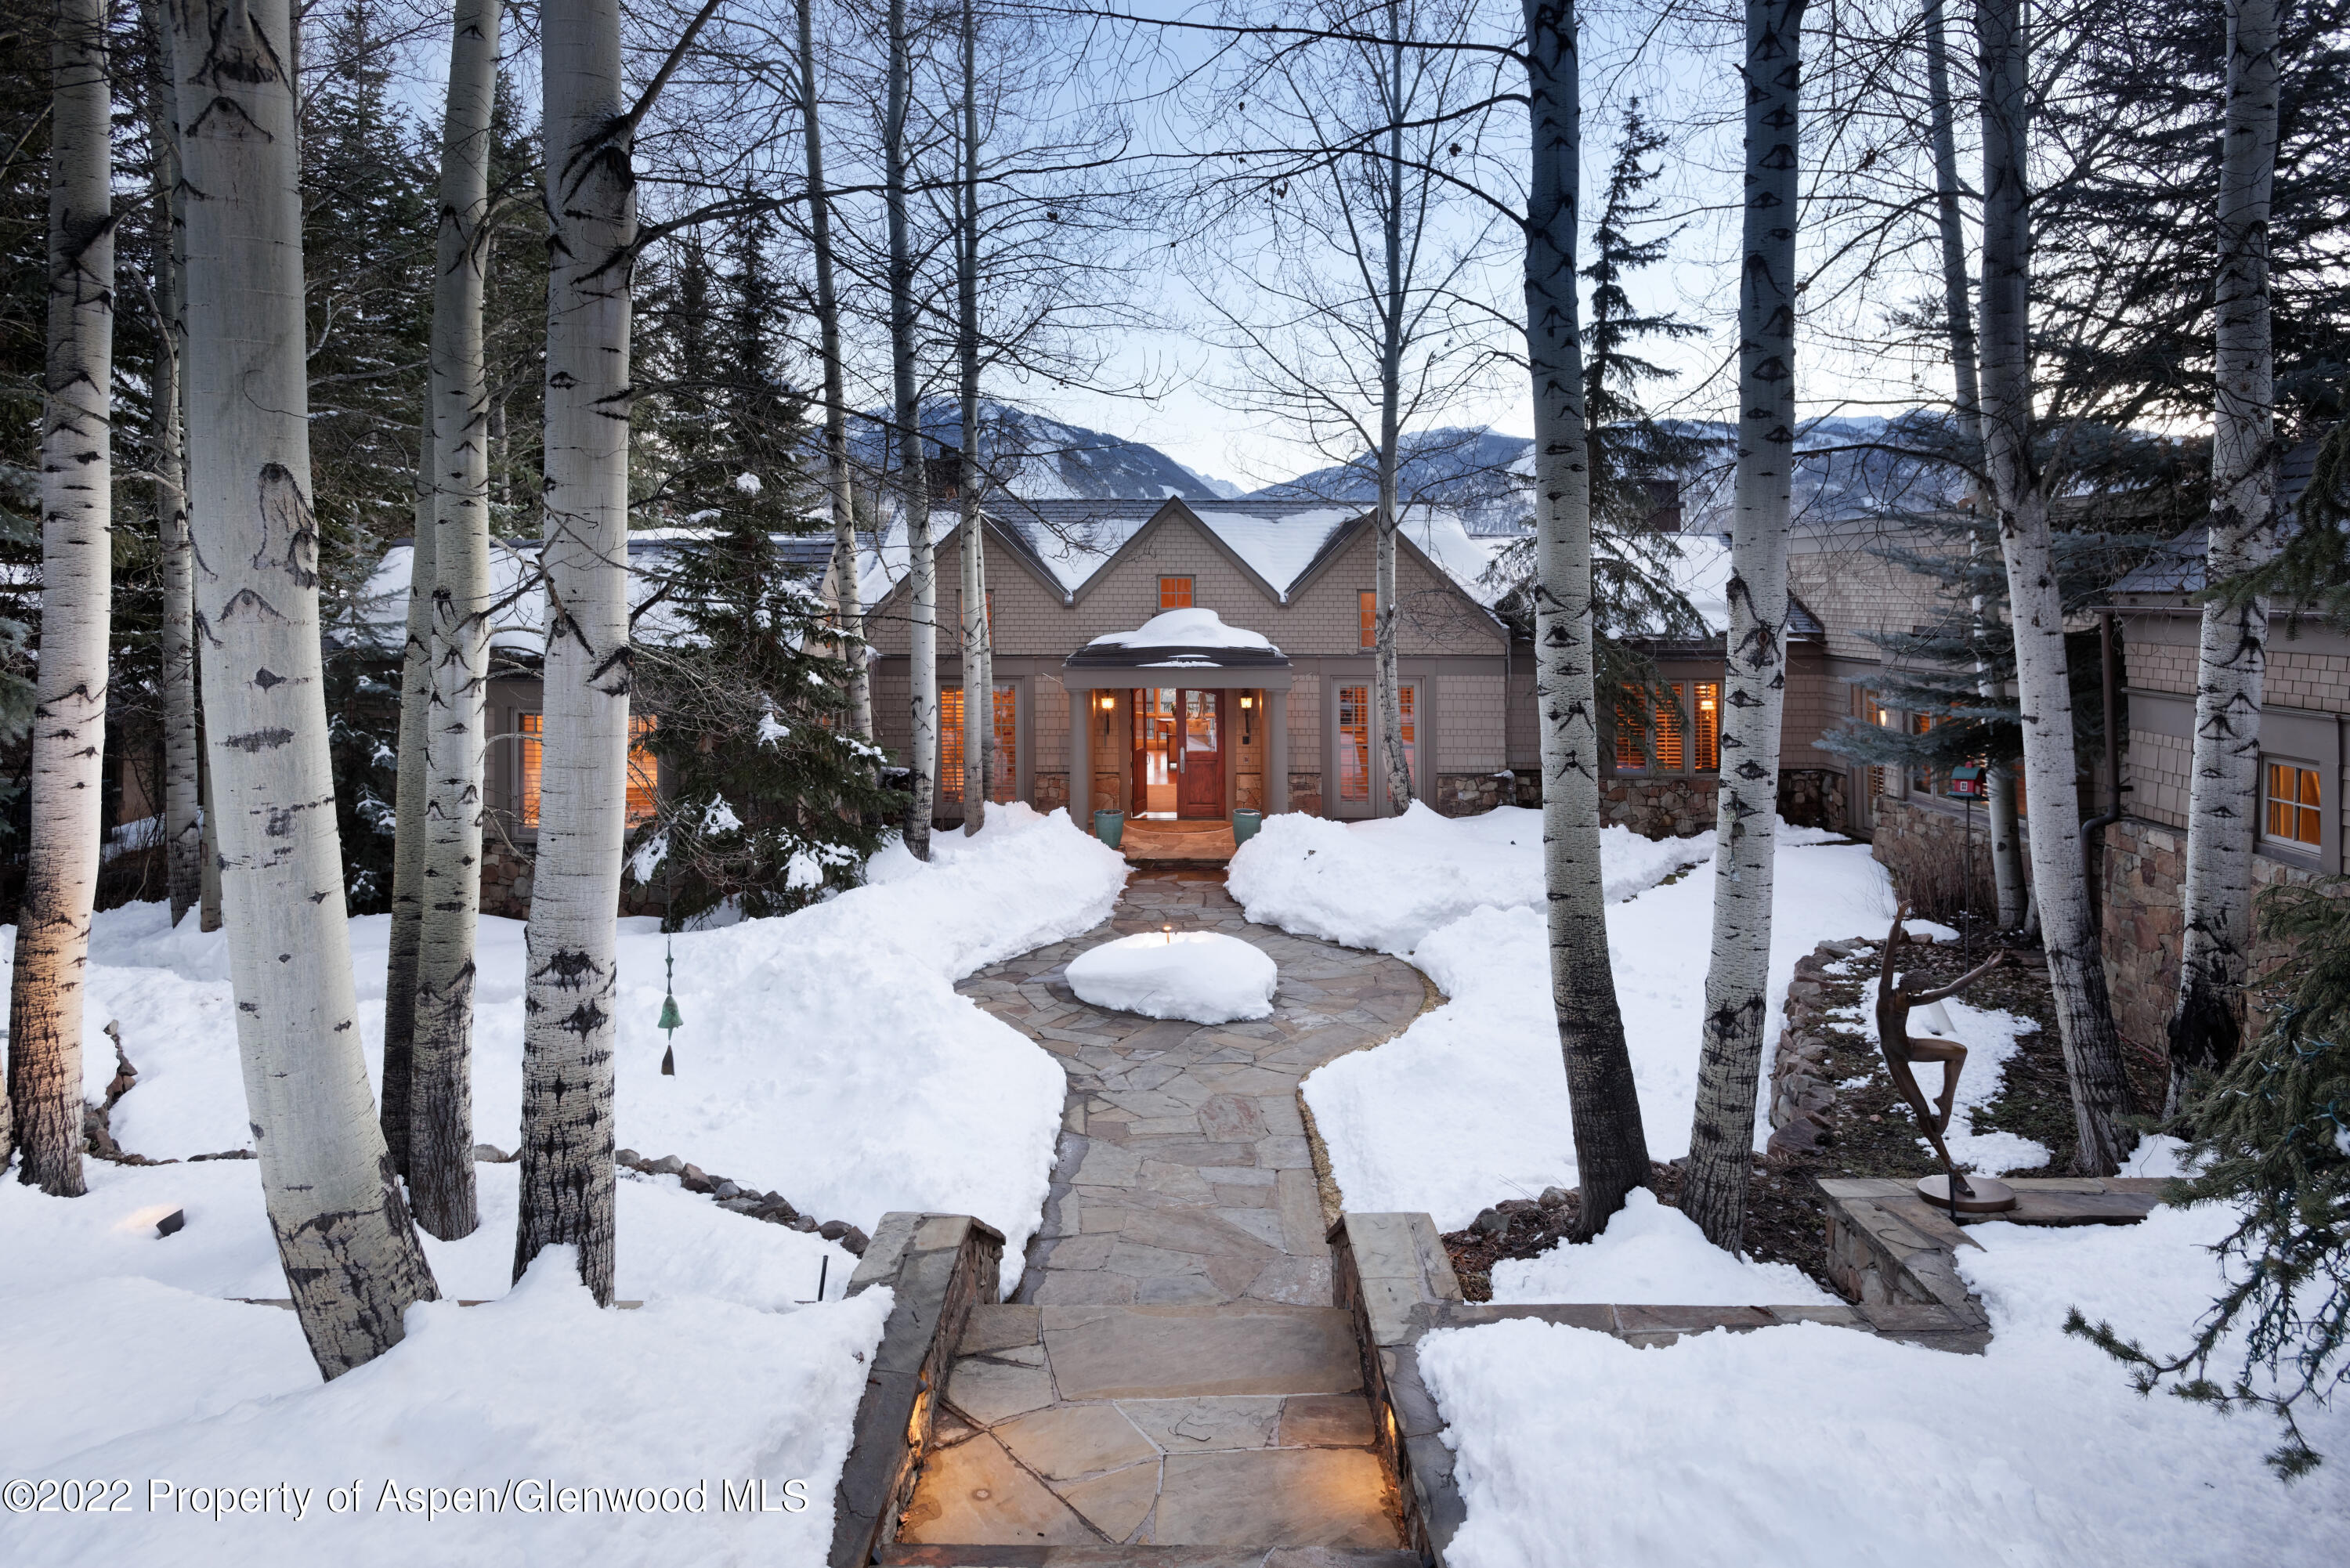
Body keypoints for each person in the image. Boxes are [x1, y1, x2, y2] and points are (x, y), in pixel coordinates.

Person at [1875, 902, 2012, 1182]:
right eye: (1917, 989)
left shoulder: (1914, 1000)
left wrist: (1985, 968)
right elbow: (1889, 955)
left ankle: (1946, 1099)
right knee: (1923, 1112)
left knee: (1959, 1051)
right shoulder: (1886, 996)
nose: (1920, 994)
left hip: (1911, 1046)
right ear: (1908, 985)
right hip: (1897, 1058)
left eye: (1921, 991)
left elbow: (1951, 989)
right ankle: (1949, 1166)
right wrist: (1899, 919)